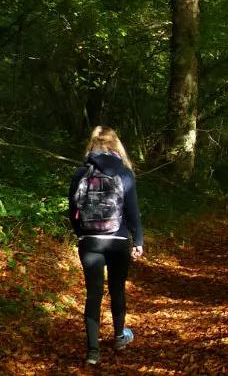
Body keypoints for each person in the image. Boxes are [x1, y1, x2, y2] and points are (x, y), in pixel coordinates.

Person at [68, 126, 144, 366]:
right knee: (117, 289)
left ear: (92, 144)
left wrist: (83, 234)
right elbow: (132, 212)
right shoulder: (124, 173)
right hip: (118, 240)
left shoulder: (82, 172)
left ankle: (92, 351)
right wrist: (138, 240)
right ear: (116, 144)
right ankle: (120, 337)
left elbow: (73, 211)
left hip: (90, 242)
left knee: (93, 293)